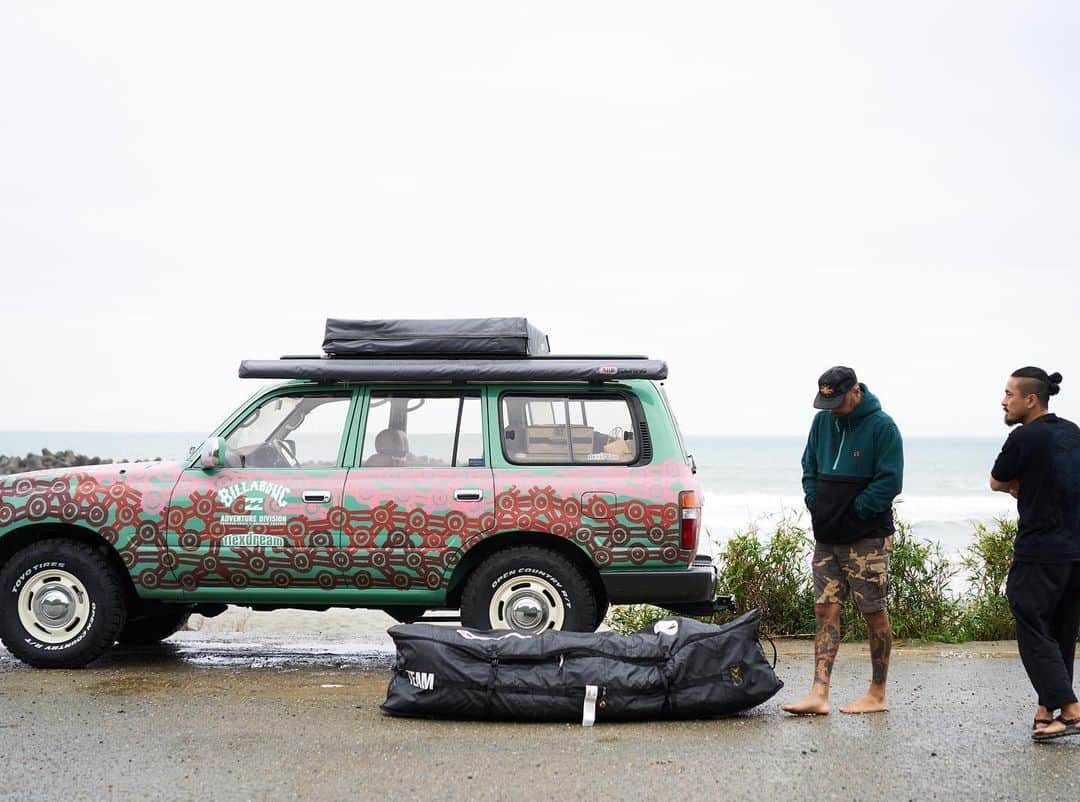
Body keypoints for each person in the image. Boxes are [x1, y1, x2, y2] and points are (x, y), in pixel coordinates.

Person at [782, 366, 903, 716]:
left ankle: (877, 693)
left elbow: (889, 482)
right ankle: (819, 693)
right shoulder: (823, 422)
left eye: (836, 401)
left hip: (868, 538)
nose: (830, 408)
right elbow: (809, 465)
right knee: (825, 609)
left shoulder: (883, 427)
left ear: (855, 392)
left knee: (873, 613)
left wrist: (855, 513)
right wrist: (814, 502)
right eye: (825, 401)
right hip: (827, 537)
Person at [990, 367, 1080, 741]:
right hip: (1075, 550)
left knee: (1029, 620)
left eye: (1010, 394)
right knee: (1060, 630)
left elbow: (996, 480)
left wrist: (1019, 486)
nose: (1004, 400)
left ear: (1031, 399)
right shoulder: (1073, 432)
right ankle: (1047, 711)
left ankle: (1072, 711)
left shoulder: (1023, 436)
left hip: (1040, 548)